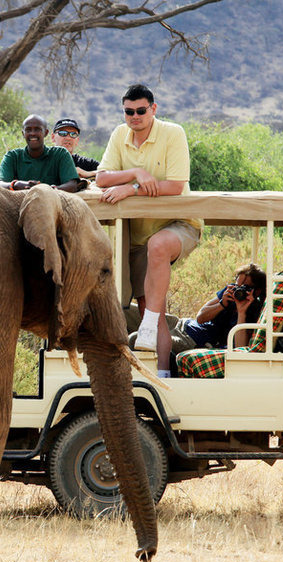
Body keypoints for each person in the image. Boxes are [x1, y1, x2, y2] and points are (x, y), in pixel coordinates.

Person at [95, 83, 202, 377]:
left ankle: (150, 338)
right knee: (146, 304)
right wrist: (136, 174)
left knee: (158, 246)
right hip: (136, 234)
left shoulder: (173, 133)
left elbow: (174, 186)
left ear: (153, 109)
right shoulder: (120, 134)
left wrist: (130, 190)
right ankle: (162, 373)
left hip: (176, 224)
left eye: (141, 110)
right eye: (129, 112)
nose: (135, 116)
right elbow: (102, 178)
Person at [167, 263, 267, 355]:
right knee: (156, 318)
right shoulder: (231, 293)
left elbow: (241, 348)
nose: (239, 291)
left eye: (245, 287)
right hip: (184, 324)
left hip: (192, 341)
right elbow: (200, 318)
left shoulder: (254, 312)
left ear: (257, 291)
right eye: (237, 286)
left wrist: (241, 312)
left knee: (158, 338)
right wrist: (221, 305)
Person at [0, 114, 82, 192]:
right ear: (23, 133)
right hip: (19, 205)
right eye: (28, 130)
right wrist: (16, 185)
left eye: (37, 129)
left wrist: (48, 190)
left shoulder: (60, 154)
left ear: (46, 133)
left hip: (54, 205)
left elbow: (72, 185)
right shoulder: (13, 156)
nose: (33, 133)